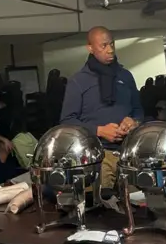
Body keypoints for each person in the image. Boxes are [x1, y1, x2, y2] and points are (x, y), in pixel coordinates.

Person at [60, 26, 143, 188]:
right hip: (97, 157)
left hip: (129, 155)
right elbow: (66, 122)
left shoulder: (125, 76)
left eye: (112, 44)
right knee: (103, 206)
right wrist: (99, 131)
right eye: (103, 46)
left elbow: (139, 110)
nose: (110, 50)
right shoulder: (78, 81)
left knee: (136, 204)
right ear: (90, 48)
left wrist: (133, 121)